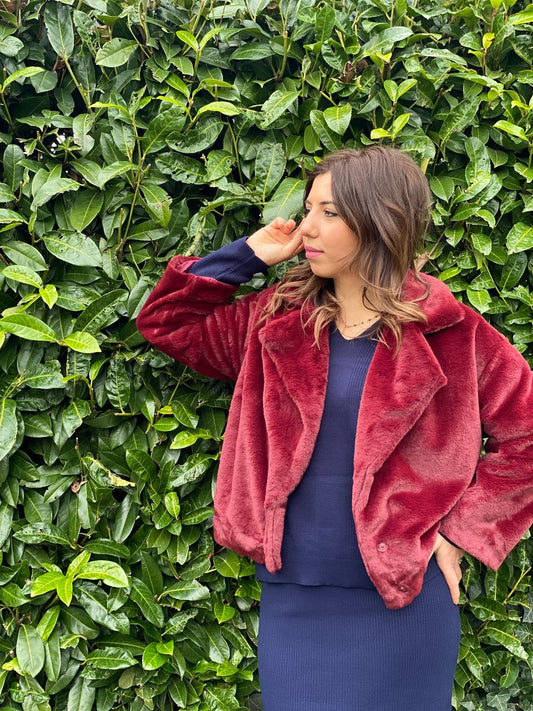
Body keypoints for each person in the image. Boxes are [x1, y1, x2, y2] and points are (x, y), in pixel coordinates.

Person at [136, 146, 533, 711]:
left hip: (404, 599)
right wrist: (249, 255)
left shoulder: (453, 333)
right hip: (295, 599)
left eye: (329, 212)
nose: (307, 227)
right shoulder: (275, 319)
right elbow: (167, 322)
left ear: (378, 221)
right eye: (308, 209)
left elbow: (527, 439)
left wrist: (463, 532)